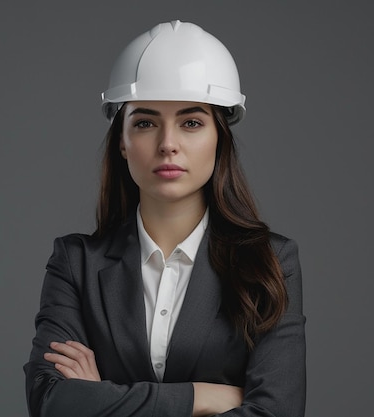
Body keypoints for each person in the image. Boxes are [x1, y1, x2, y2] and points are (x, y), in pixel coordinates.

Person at [24, 20, 306, 417]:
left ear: (219, 139)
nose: (168, 144)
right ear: (122, 142)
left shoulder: (271, 261)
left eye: (191, 123)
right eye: (145, 123)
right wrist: (202, 397)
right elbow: (53, 404)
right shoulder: (76, 264)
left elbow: (277, 412)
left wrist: (104, 397)